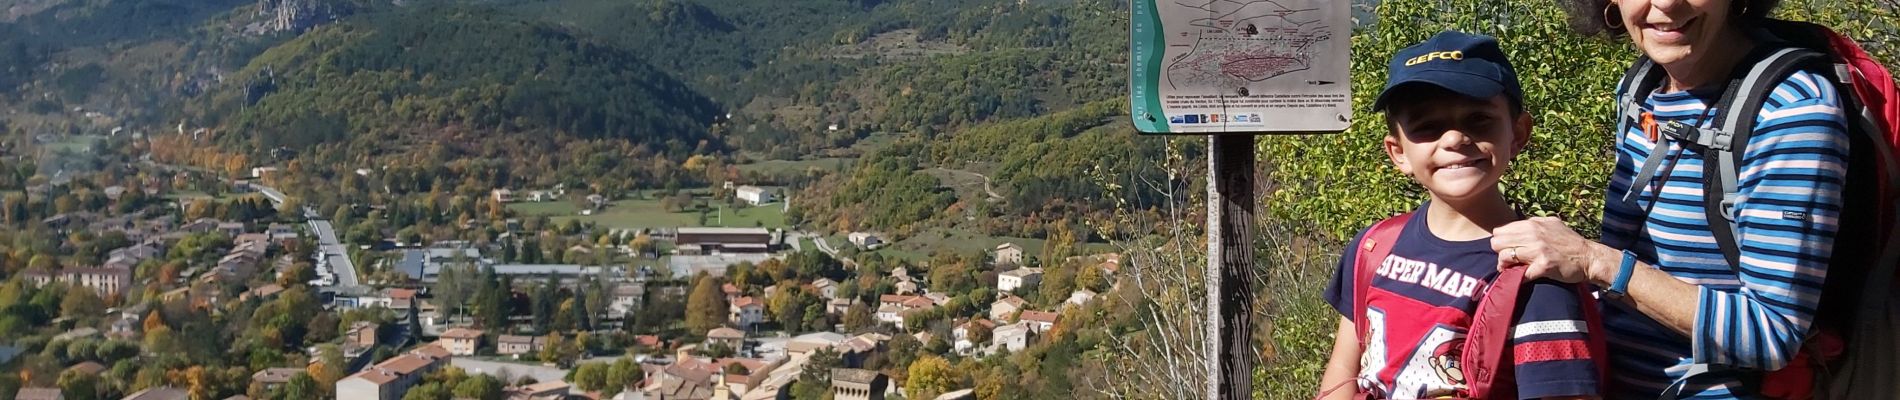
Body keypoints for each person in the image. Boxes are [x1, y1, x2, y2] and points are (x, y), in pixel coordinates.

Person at [1491, 0, 1850, 398]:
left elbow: (1772, 334)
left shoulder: (1792, 109)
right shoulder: (1642, 86)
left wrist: (1594, 261)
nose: (1664, 4)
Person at [1316, 31, 1601, 400]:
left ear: (1517, 134)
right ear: (1398, 152)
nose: (1454, 139)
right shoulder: (1374, 247)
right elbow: (1344, 369)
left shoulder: (1536, 275)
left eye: (1478, 120)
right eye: (1427, 127)